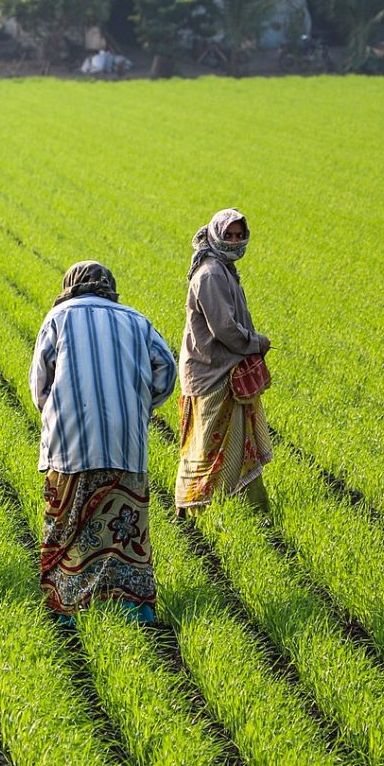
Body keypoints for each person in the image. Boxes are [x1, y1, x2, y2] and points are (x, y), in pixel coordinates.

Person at [30, 261, 177, 626]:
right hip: (125, 442)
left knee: (69, 523)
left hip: (71, 442)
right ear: (109, 287)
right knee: (122, 528)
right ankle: (132, 608)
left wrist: (56, 411)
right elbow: (167, 370)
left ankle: (67, 608)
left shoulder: (58, 318)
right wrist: (138, 405)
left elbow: (39, 385)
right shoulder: (136, 320)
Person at [175, 208, 272, 517]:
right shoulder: (212, 273)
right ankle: (193, 508)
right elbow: (225, 329)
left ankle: (250, 510)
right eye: (228, 235)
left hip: (222, 370)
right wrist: (257, 342)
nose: (234, 241)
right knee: (207, 448)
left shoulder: (222, 267)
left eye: (239, 235)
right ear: (215, 234)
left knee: (236, 445)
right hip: (212, 373)